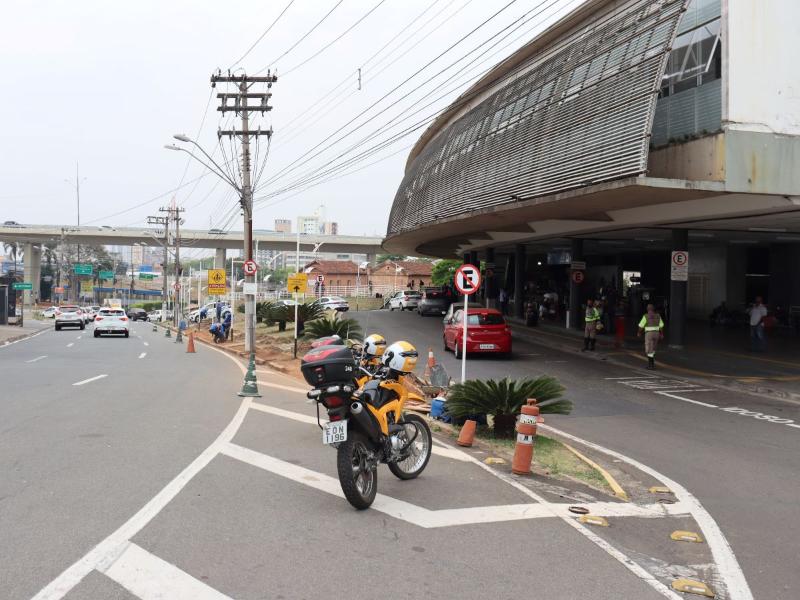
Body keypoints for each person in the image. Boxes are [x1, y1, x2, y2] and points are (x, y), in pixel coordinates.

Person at [637, 303, 664, 369]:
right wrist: (661, 334)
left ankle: (651, 365)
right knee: (653, 348)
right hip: (656, 334)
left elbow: (641, 326)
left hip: (649, 334)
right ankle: (651, 364)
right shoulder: (658, 316)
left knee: (649, 349)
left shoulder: (645, 316)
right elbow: (661, 326)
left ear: (647, 309)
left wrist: (639, 332)